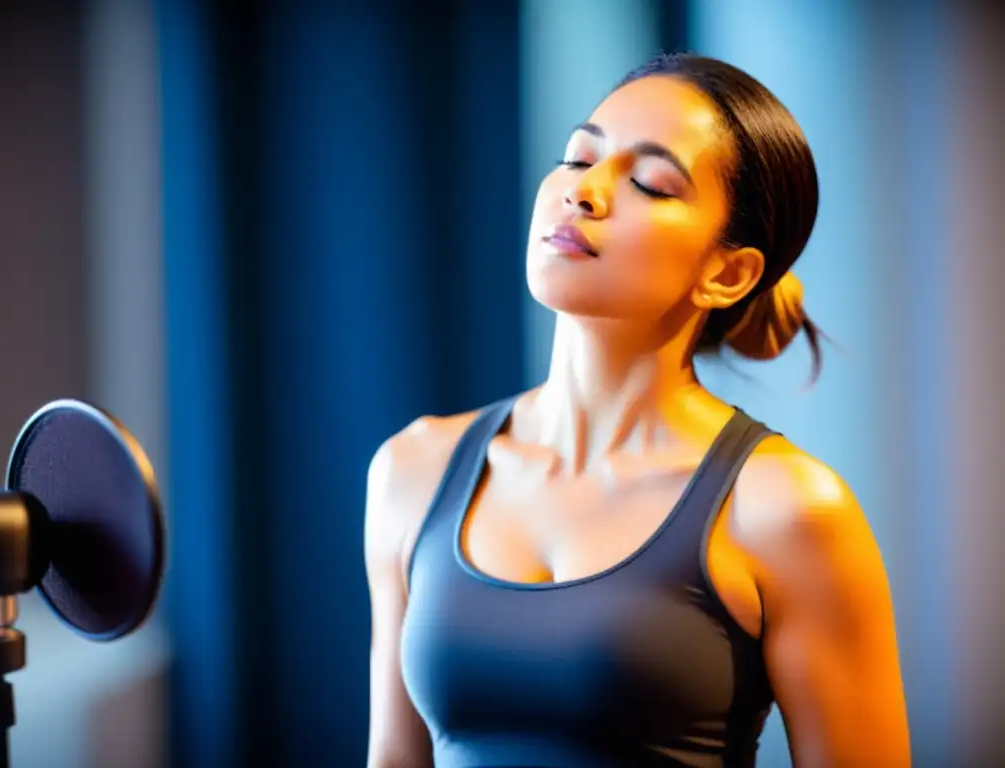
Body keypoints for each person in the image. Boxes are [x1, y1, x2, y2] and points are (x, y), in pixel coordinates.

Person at [364, 52, 910, 768]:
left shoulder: (787, 508)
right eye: (577, 157)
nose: (582, 192)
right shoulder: (414, 468)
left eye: (650, 183)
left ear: (728, 273)